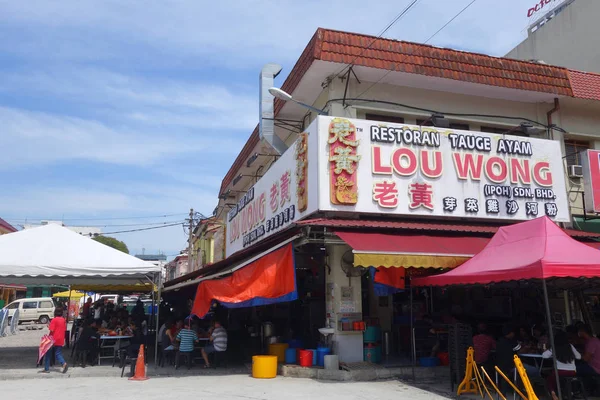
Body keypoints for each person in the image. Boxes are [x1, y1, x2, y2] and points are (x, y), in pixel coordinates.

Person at [41, 308, 68, 373]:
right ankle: (63, 363)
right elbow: (64, 329)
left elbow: (52, 329)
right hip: (61, 338)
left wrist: (48, 325)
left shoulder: (54, 320)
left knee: (48, 353)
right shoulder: (63, 320)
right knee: (58, 353)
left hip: (53, 338)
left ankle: (47, 368)